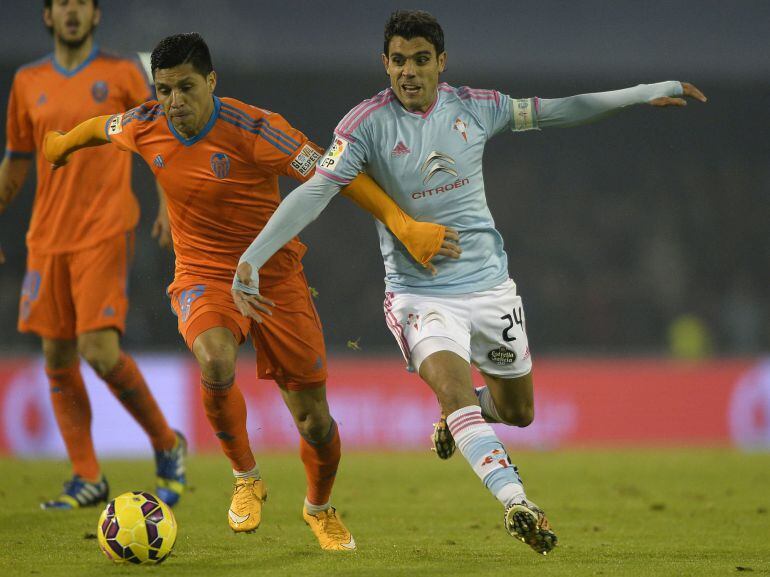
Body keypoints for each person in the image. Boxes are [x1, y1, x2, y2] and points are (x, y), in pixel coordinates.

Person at [230, 9, 707, 555]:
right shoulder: (364, 125)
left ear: (441, 63)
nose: (408, 71)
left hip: (490, 288)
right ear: (384, 64)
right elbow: (315, 191)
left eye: (420, 60)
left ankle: (464, 416)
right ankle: (517, 501)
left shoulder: (476, 108)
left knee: (519, 412)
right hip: (418, 294)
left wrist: (645, 92)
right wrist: (253, 256)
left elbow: (559, 111)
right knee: (452, 390)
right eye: (398, 61)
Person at [42, 32, 457, 550]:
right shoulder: (145, 122)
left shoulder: (257, 130)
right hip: (202, 275)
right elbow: (99, 128)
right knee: (214, 360)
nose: (174, 102)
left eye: (186, 88)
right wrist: (61, 144)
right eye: (164, 89)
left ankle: (320, 508)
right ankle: (246, 477)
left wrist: (402, 223)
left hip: (274, 278)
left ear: (212, 82)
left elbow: (337, 173)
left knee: (315, 423)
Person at [0, 0, 186, 510]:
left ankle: (167, 443)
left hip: (104, 229)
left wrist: (167, 204)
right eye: (62, 4)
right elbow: (16, 162)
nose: (72, 12)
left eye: (82, 3)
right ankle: (87, 477)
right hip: (47, 237)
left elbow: (158, 139)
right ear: (48, 16)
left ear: (96, 15)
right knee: (57, 359)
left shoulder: (123, 72)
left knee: (97, 351)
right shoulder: (26, 81)